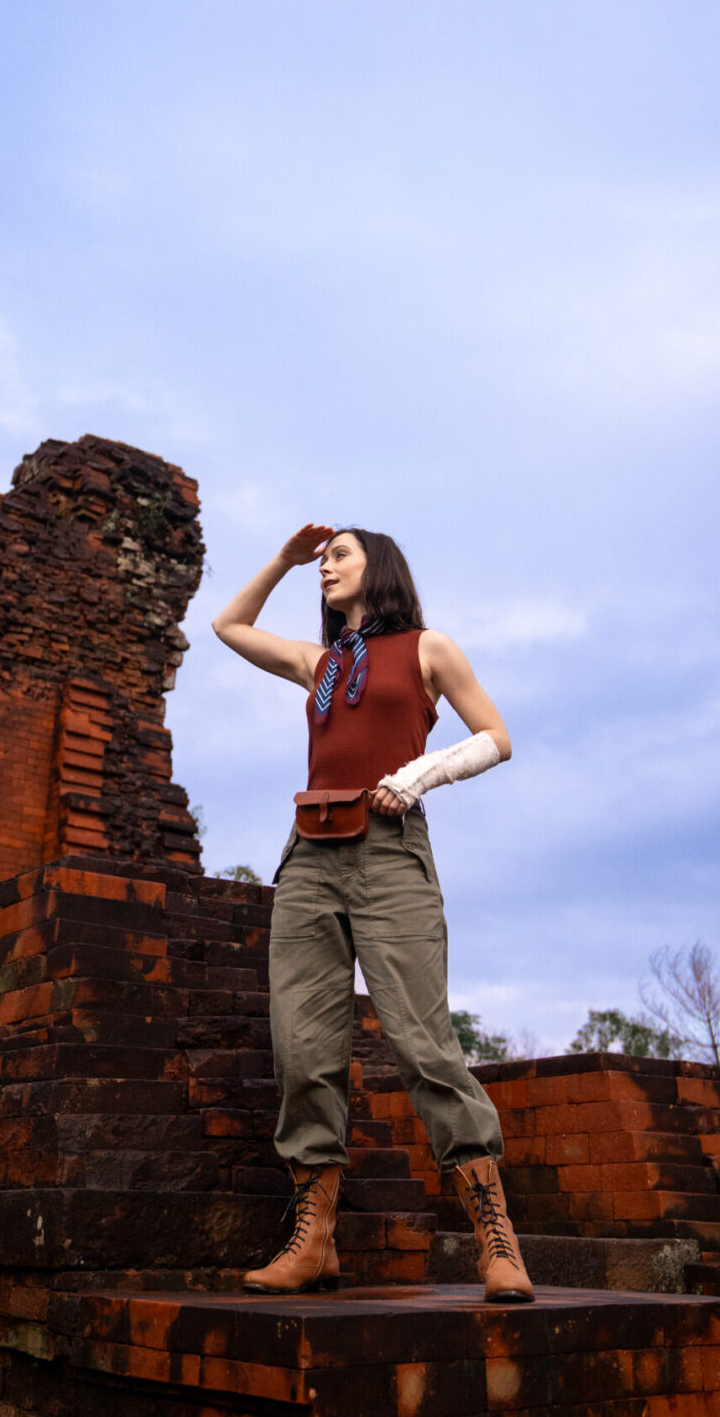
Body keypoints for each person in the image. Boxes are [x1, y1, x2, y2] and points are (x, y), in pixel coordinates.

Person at [212, 524, 534, 1303]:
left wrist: (422, 774)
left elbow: (496, 738)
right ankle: (314, 1238)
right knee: (301, 1049)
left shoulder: (429, 648)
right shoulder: (318, 663)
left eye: (338, 556)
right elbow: (228, 627)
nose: (326, 566)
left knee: (424, 1045)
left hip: (391, 852)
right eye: (322, 560)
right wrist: (283, 561)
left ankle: (496, 1240)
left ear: (378, 567)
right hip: (309, 859)